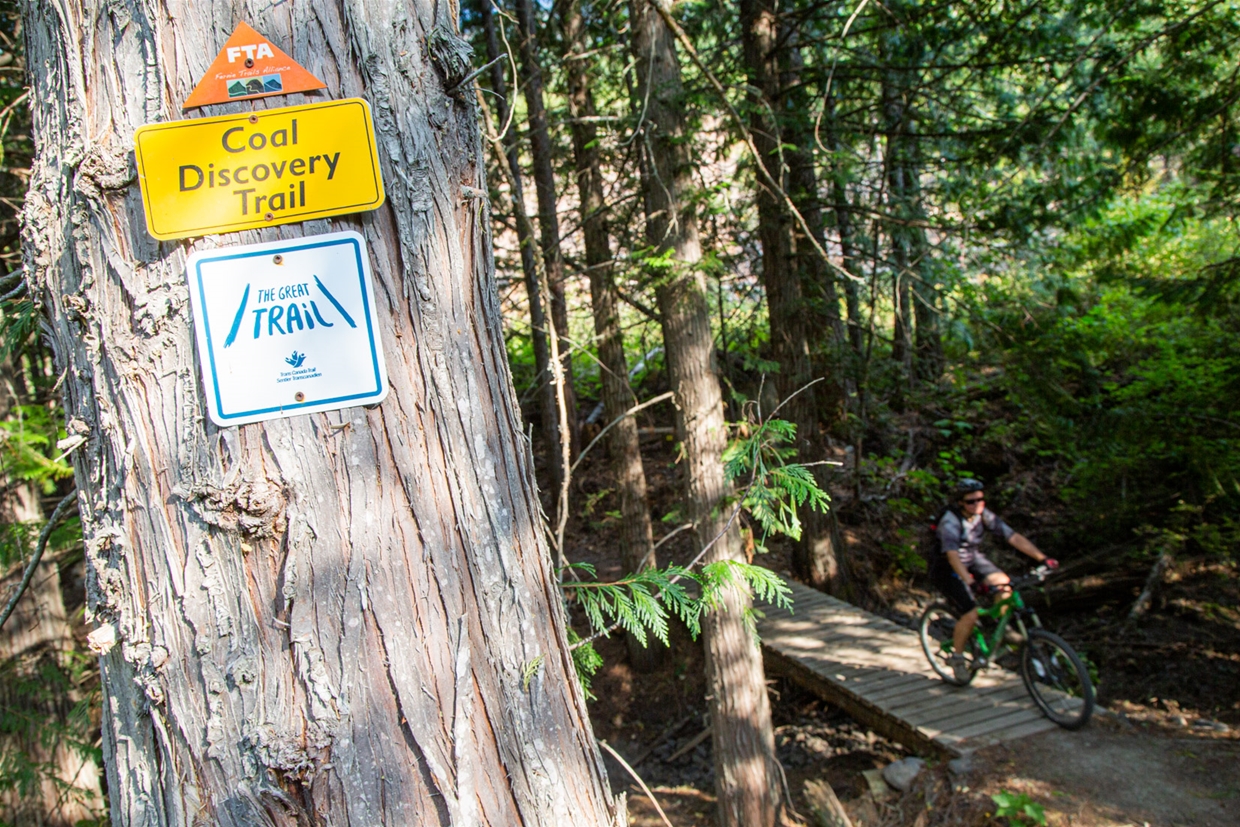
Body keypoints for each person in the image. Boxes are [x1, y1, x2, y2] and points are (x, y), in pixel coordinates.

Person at [930, 478, 1057, 683]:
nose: (978, 504)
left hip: (971, 558)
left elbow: (1012, 537)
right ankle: (958, 658)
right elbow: (952, 556)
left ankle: (1000, 627)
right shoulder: (950, 522)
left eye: (981, 499)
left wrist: (1043, 558)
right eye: (971, 501)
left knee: (1003, 583)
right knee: (970, 614)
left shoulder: (982, 515)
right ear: (961, 503)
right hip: (947, 568)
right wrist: (970, 583)